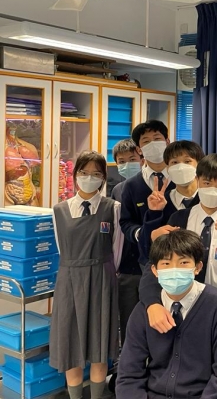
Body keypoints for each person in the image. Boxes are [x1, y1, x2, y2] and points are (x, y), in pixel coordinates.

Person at [138, 153, 217, 395]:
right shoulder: (180, 218)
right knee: (184, 374)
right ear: (198, 180)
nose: (213, 189)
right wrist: (151, 304)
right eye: (207, 182)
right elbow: (155, 267)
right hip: (182, 313)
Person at [116, 230, 217, 398]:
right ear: (155, 270)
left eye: (183, 262)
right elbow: (129, 375)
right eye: (166, 263)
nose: (174, 270)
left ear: (198, 267)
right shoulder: (143, 312)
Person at [50, 151, 123, 399]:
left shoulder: (113, 208)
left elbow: (117, 249)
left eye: (96, 173)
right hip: (69, 280)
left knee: (99, 345)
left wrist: (104, 272)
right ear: (75, 175)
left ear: (103, 178)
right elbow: (62, 248)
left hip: (102, 279)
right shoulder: (59, 210)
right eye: (84, 172)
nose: (89, 178)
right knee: (70, 342)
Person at [138, 140, 205, 264]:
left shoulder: (210, 199)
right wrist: (154, 213)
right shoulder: (161, 201)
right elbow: (145, 250)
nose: (181, 167)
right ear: (168, 168)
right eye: (174, 162)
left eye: (187, 161)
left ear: (199, 165)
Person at [119, 120, 175, 269]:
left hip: (183, 254)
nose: (153, 144)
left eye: (157, 139)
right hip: (148, 258)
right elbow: (126, 222)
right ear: (139, 150)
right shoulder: (131, 185)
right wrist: (144, 234)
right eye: (146, 141)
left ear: (167, 142)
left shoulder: (181, 179)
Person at [110, 138, 145, 349]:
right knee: (128, 321)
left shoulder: (151, 185)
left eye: (132, 159)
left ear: (142, 158)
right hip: (125, 268)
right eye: (121, 161)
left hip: (150, 267)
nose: (127, 165)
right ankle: (127, 363)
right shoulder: (117, 190)